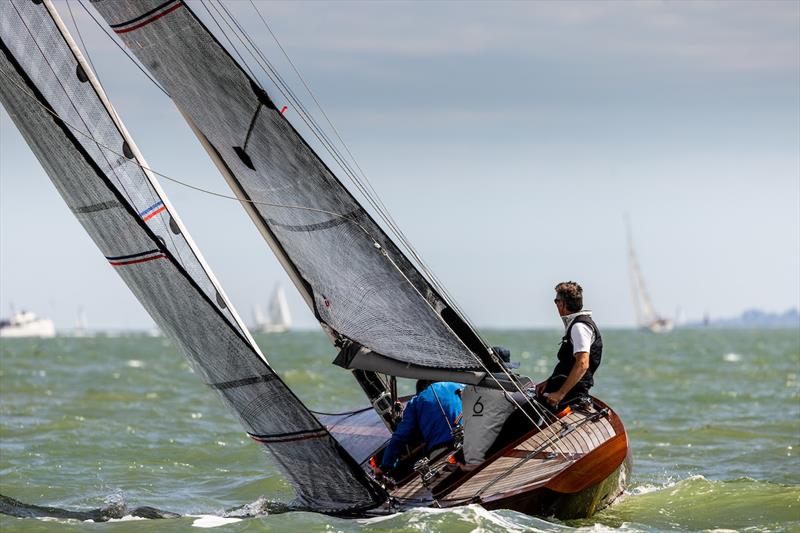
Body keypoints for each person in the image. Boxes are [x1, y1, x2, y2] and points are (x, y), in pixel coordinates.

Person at [373, 380, 463, 476]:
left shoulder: (416, 401)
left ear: (420, 390)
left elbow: (400, 436)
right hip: (472, 438)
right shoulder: (459, 385)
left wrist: (384, 466)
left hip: (441, 451)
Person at [537, 281, 603, 410]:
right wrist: (549, 381)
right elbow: (568, 363)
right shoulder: (576, 324)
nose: (556, 304)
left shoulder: (579, 327)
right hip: (564, 390)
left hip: (571, 395)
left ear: (563, 304)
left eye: (556, 301)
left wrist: (560, 394)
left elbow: (583, 363)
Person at [461, 347, 520, 466]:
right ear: (505, 369)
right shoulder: (508, 392)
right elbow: (532, 402)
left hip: (469, 459)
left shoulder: (467, 390)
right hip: (489, 461)